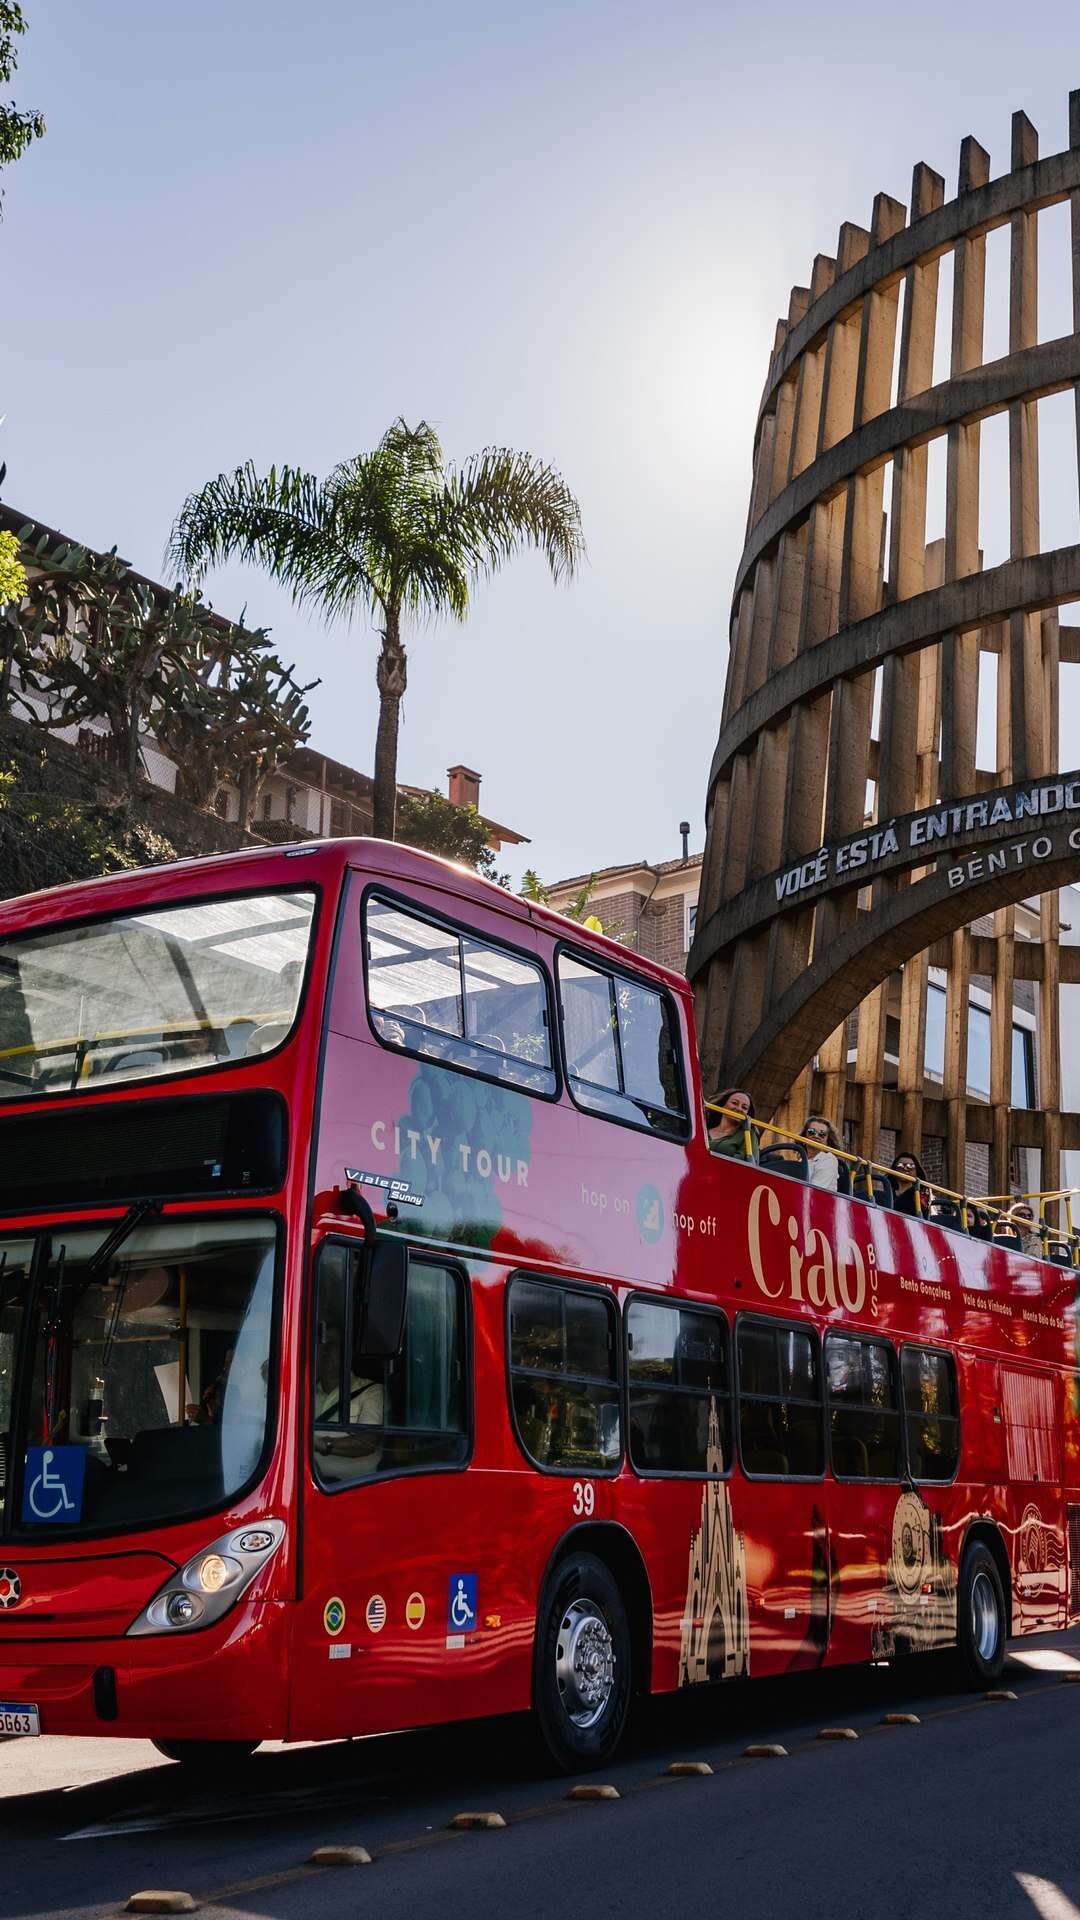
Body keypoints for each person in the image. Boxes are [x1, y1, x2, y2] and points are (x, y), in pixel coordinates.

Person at [709, 1087, 759, 1161]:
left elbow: (743, 1164)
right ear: (723, 1104)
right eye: (734, 1103)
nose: (739, 1109)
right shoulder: (704, 1129)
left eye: (744, 1107)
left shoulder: (747, 1135)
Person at [802, 1114, 842, 1191]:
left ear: (827, 1141)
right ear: (804, 1136)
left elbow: (815, 1189)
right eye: (811, 1132)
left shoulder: (829, 1160)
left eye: (822, 1134)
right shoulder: (801, 1160)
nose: (816, 1136)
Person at [891, 1149, 930, 1218]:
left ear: (916, 1171)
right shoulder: (888, 1193)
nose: (905, 1169)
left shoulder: (921, 1194)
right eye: (900, 1165)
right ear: (895, 1168)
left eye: (910, 1166)